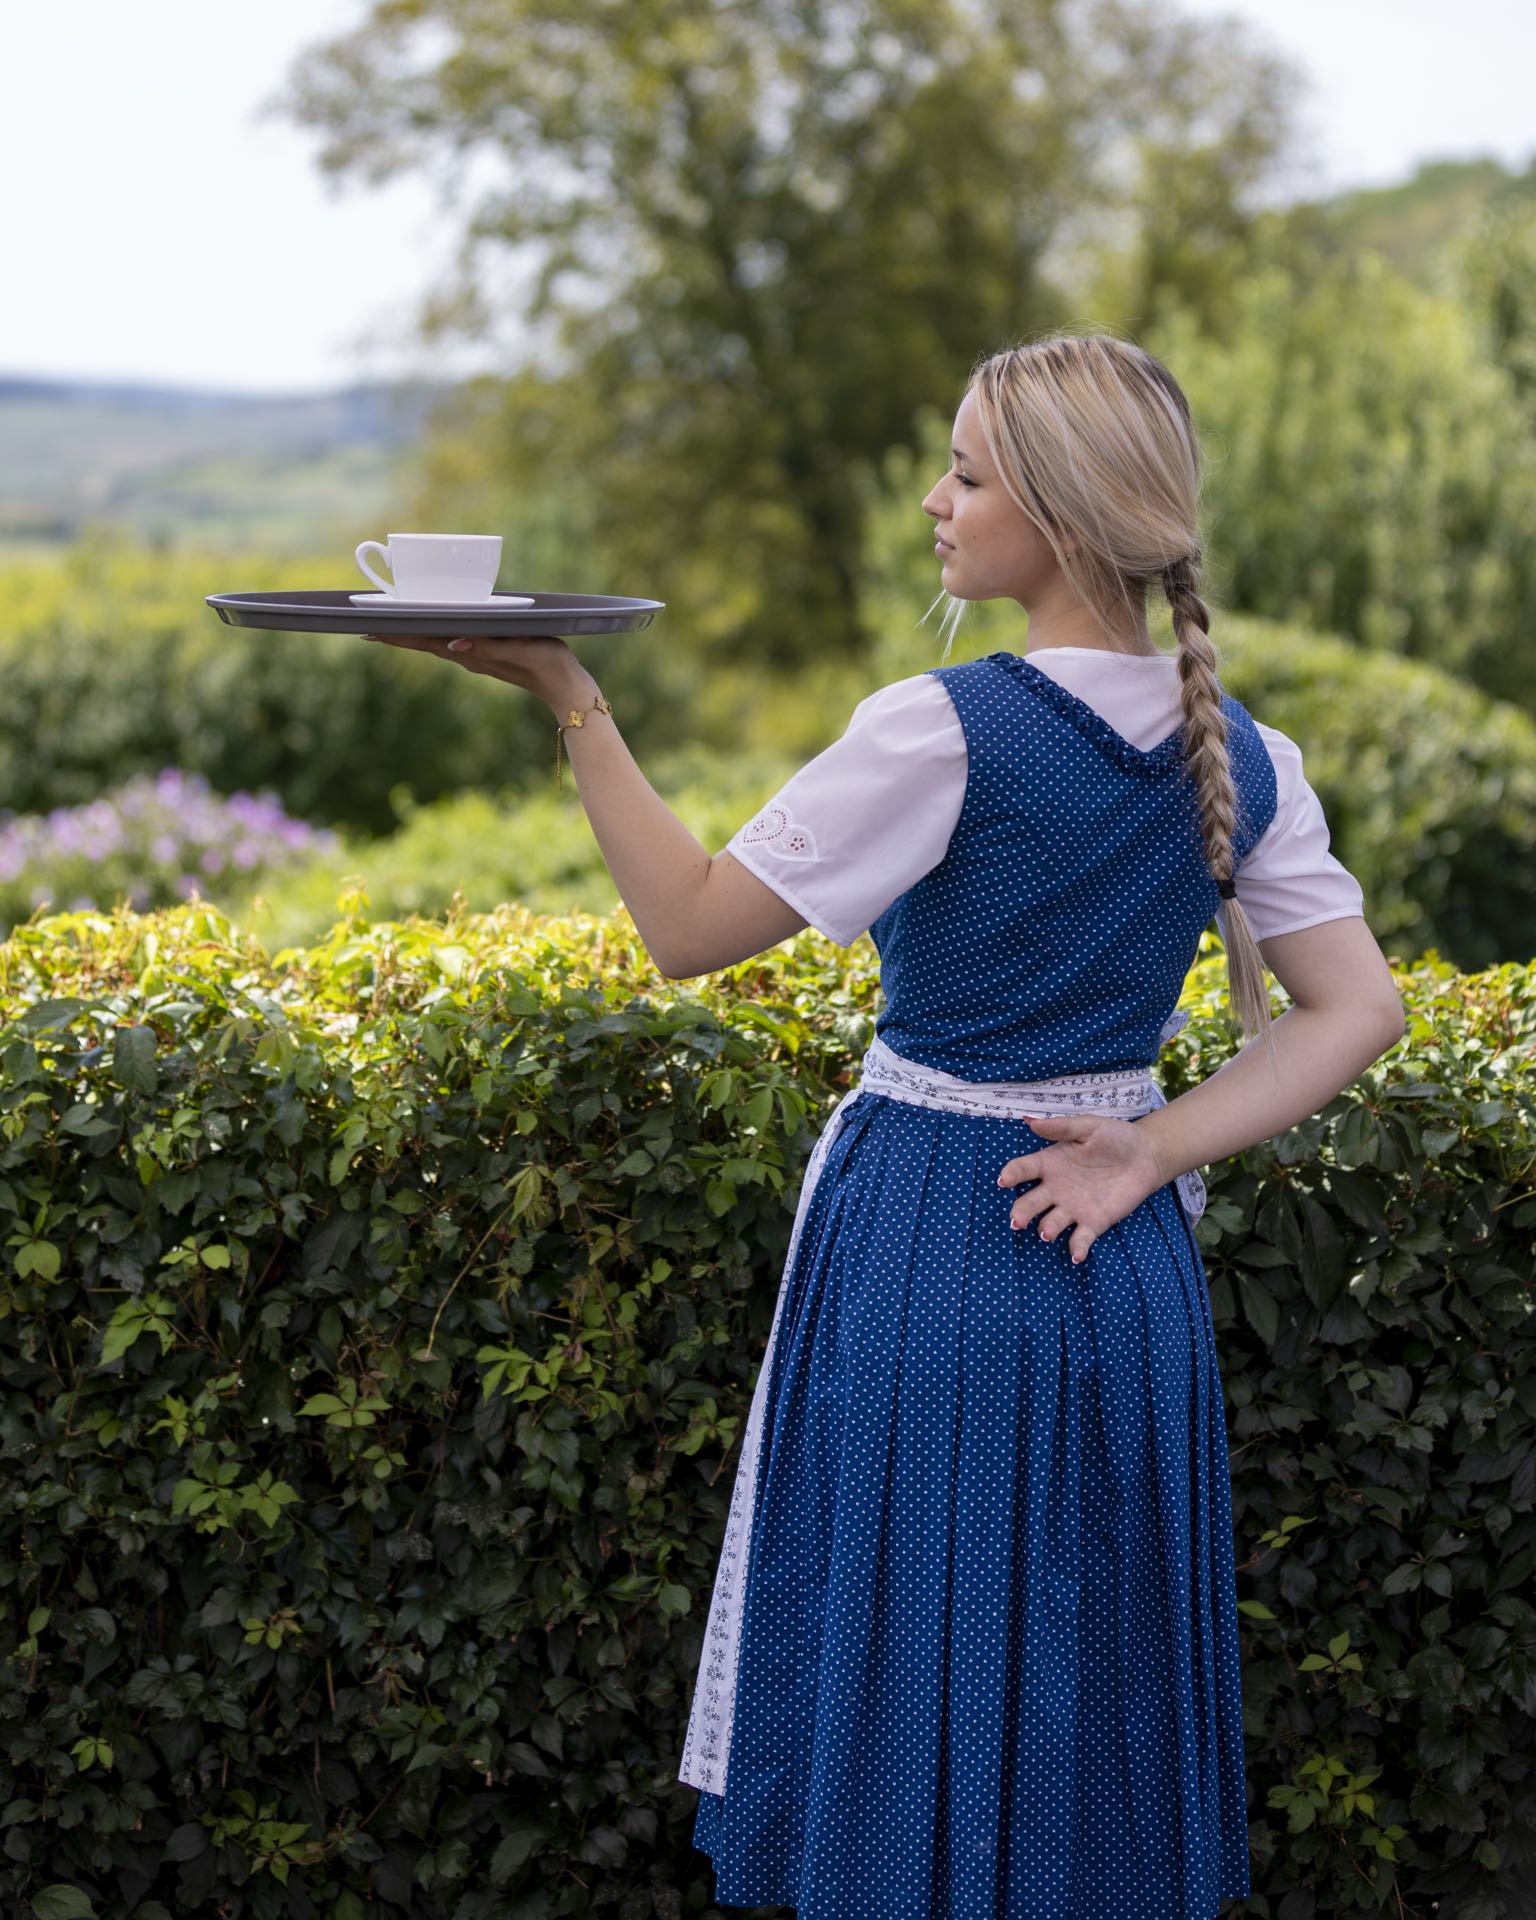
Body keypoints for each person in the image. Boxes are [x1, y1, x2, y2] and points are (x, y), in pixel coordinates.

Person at [366, 331, 1406, 1919]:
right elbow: (1359, 1009)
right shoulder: (1247, 756)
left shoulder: (943, 728)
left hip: (934, 1229)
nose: (935, 499)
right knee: (1086, 1658)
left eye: (968, 472)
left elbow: (691, 924)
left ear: (1056, 516)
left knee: (913, 1647)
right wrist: (1154, 1145)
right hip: (1117, 1257)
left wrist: (573, 698)